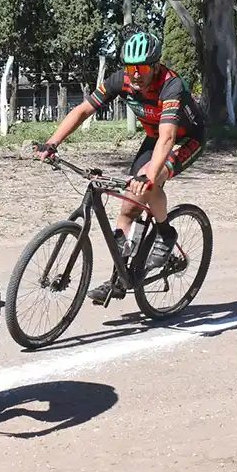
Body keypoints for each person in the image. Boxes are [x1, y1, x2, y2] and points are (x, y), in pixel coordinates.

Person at [38, 30, 205, 304]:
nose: (135, 74)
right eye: (130, 67)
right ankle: (120, 276)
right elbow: (82, 111)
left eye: (141, 68)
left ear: (155, 65)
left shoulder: (170, 85)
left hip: (186, 138)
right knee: (128, 207)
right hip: (155, 137)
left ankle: (165, 233)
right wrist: (52, 143)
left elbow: (168, 138)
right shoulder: (121, 80)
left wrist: (149, 177)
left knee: (150, 181)